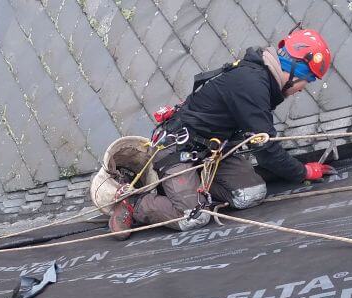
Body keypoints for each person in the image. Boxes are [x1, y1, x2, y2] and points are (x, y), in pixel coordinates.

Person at [109, 28, 336, 240]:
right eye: (306, 82)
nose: (301, 91)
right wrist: (303, 171)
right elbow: (266, 149)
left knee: (251, 193)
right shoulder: (253, 85)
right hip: (177, 149)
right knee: (194, 216)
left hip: (213, 150)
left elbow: (257, 139)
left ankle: (189, 188)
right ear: (295, 70)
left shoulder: (261, 79)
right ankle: (135, 202)